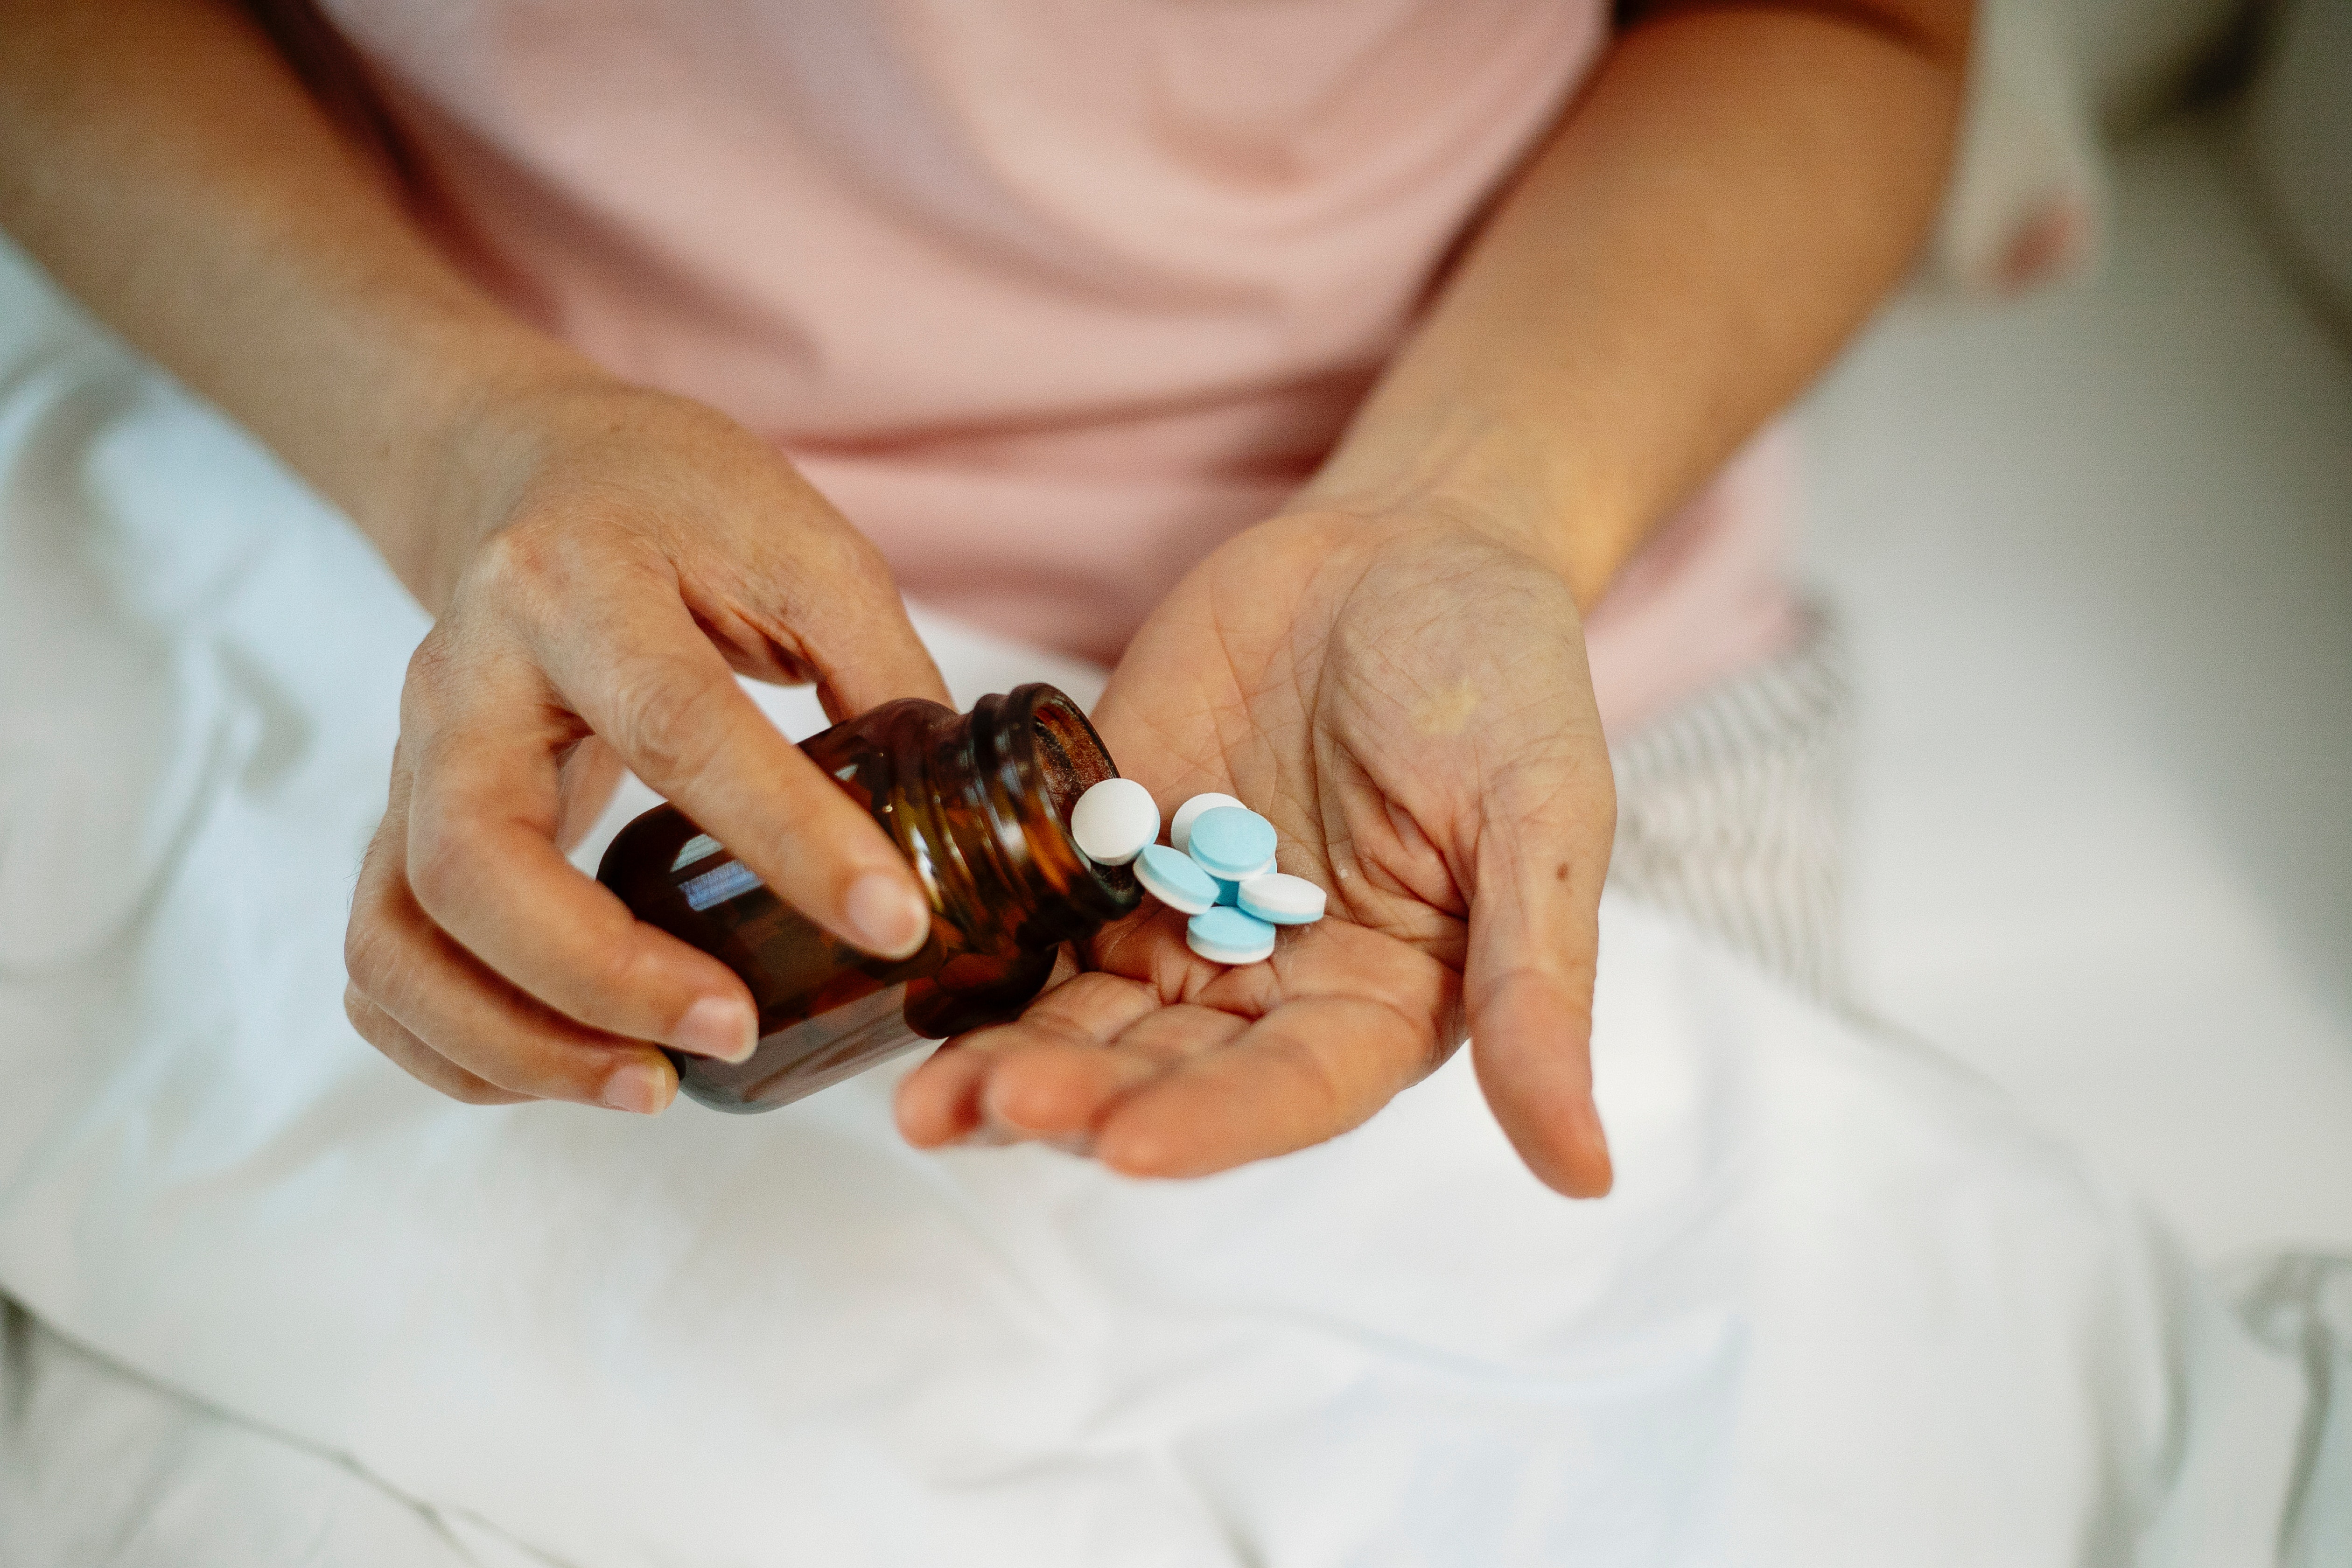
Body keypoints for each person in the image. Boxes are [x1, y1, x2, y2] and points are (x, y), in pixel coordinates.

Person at [0, 0, 1968, 1200]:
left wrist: (1480, 510)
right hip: (520, 567)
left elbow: (1861, 22)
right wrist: (467, 442)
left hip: (1514, 581)